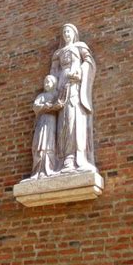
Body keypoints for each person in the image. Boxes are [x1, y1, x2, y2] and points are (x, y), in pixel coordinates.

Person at [50, 23, 97, 173]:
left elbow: (89, 61)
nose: (66, 34)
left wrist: (80, 72)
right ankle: (64, 159)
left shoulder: (80, 46)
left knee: (73, 118)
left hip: (75, 85)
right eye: (64, 31)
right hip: (61, 88)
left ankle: (76, 156)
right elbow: (53, 72)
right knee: (62, 122)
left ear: (74, 33)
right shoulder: (58, 53)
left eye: (68, 31)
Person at [30, 74, 61, 178]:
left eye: (49, 82)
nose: (47, 84)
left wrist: (55, 106)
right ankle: (37, 171)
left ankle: (48, 169)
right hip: (42, 121)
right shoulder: (41, 96)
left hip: (51, 121)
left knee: (49, 144)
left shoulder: (56, 94)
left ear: (54, 83)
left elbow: (59, 105)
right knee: (39, 144)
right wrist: (44, 106)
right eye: (45, 82)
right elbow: (35, 106)